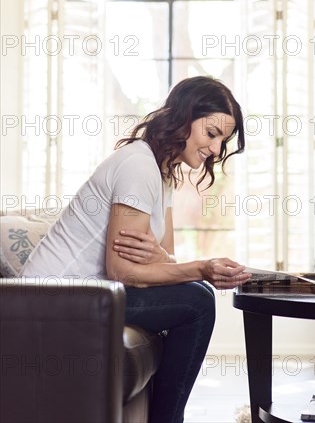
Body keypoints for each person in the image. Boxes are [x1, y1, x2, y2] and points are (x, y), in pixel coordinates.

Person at [20, 75, 251, 423]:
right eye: (212, 133)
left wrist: (170, 262)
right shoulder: (138, 166)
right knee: (198, 300)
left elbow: (167, 257)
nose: (216, 150)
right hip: (51, 305)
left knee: (196, 293)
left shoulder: (163, 174)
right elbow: (123, 271)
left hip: (89, 296)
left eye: (223, 141)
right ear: (185, 117)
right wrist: (201, 267)